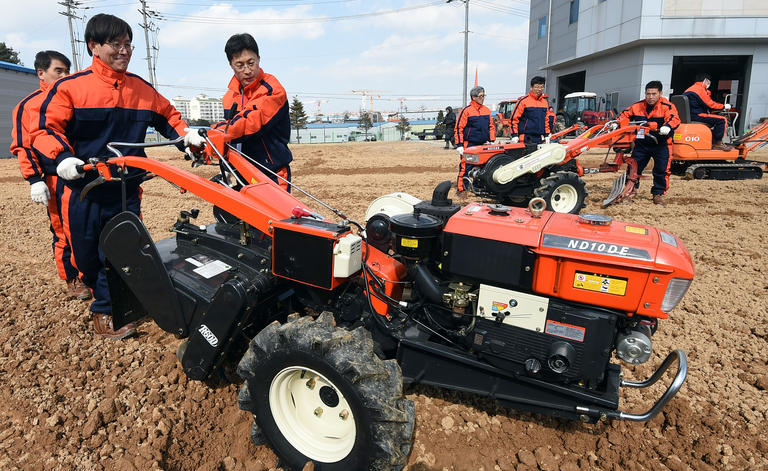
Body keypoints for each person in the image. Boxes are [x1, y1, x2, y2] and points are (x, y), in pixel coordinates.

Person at [30, 14, 202, 339]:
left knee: (124, 250)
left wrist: (187, 136)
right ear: (94, 46)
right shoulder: (71, 88)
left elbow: (169, 118)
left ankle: (107, 311)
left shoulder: (141, 89)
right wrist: (64, 158)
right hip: (83, 191)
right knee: (87, 256)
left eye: (128, 45)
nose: (124, 51)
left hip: (125, 189)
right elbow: (43, 130)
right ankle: (102, 295)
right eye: (116, 44)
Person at [10, 51, 91, 301]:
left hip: (84, 173)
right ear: (41, 73)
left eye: (68, 71)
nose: (65, 75)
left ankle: (96, 273)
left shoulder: (76, 98)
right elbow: (23, 146)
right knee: (63, 231)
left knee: (90, 228)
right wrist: (35, 180)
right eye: (59, 71)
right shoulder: (28, 105)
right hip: (56, 178)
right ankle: (72, 278)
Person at [209, 33, 293, 191]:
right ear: (231, 65)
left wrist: (213, 133)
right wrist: (226, 167)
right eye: (240, 65)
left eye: (251, 63)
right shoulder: (230, 97)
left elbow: (249, 122)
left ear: (259, 59)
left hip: (272, 172)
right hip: (243, 172)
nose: (247, 70)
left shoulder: (272, 89)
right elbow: (233, 136)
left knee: (276, 215)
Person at [616, 80, 681, 206]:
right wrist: (617, 122)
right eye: (648, 94)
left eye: (654, 94)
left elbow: (674, 119)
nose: (650, 97)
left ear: (660, 93)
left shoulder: (667, 107)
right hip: (642, 144)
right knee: (634, 168)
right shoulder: (638, 106)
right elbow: (624, 114)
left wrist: (667, 126)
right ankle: (630, 191)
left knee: (662, 170)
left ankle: (658, 194)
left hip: (661, 144)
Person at [455, 86, 495, 191]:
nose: (483, 98)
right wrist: (459, 145)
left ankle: (478, 186)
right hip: (470, 144)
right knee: (466, 166)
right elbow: (459, 128)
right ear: (473, 97)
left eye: (483, 95)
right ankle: (462, 187)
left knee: (483, 166)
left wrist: (491, 140)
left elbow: (491, 126)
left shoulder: (487, 110)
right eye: (480, 96)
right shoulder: (466, 111)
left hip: (483, 144)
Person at [683, 73, 732, 150]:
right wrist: (723, 106)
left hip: (692, 114)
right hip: (697, 115)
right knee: (722, 120)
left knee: (715, 118)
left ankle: (712, 140)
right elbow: (710, 104)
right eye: (708, 82)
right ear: (705, 81)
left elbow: (703, 105)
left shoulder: (690, 89)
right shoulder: (699, 89)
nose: (709, 84)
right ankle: (718, 143)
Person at [511, 76, 550, 145]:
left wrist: (547, 135)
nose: (539, 89)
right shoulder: (523, 101)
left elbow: (546, 120)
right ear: (531, 87)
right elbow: (514, 119)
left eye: (541, 87)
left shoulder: (545, 103)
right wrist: (514, 135)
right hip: (525, 137)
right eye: (537, 87)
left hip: (539, 138)